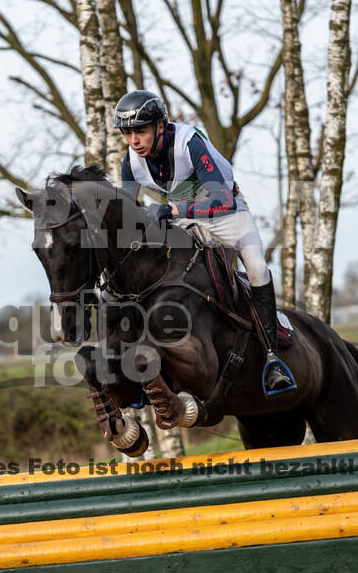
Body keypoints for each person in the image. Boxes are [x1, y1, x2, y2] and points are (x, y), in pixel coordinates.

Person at [114, 89, 295, 396]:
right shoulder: (131, 163)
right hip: (182, 220)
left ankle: (272, 358)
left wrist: (171, 210)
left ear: (160, 126)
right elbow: (127, 218)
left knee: (256, 268)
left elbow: (222, 201)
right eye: (128, 133)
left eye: (140, 132)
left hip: (227, 214)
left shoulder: (190, 143)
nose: (133, 141)